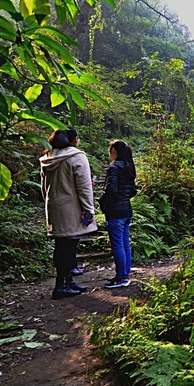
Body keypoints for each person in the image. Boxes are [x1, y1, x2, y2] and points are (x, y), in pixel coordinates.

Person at [40, 128, 97, 299]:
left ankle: (66, 282)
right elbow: (84, 187)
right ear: (73, 140)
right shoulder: (77, 157)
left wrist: (49, 203)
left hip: (54, 207)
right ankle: (61, 286)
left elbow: (44, 187)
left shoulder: (47, 158)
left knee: (62, 246)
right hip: (72, 208)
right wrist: (89, 209)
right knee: (68, 247)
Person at [98, 139, 138, 288]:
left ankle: (121, 278)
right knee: (125, 243)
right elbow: (133, 190)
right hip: (126, 210)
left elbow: (111, 190)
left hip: (115, 212)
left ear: (114, 151)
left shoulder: (114, 168)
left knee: (118, 246)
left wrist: (102, 201)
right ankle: (125, 274)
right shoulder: (128, 167)